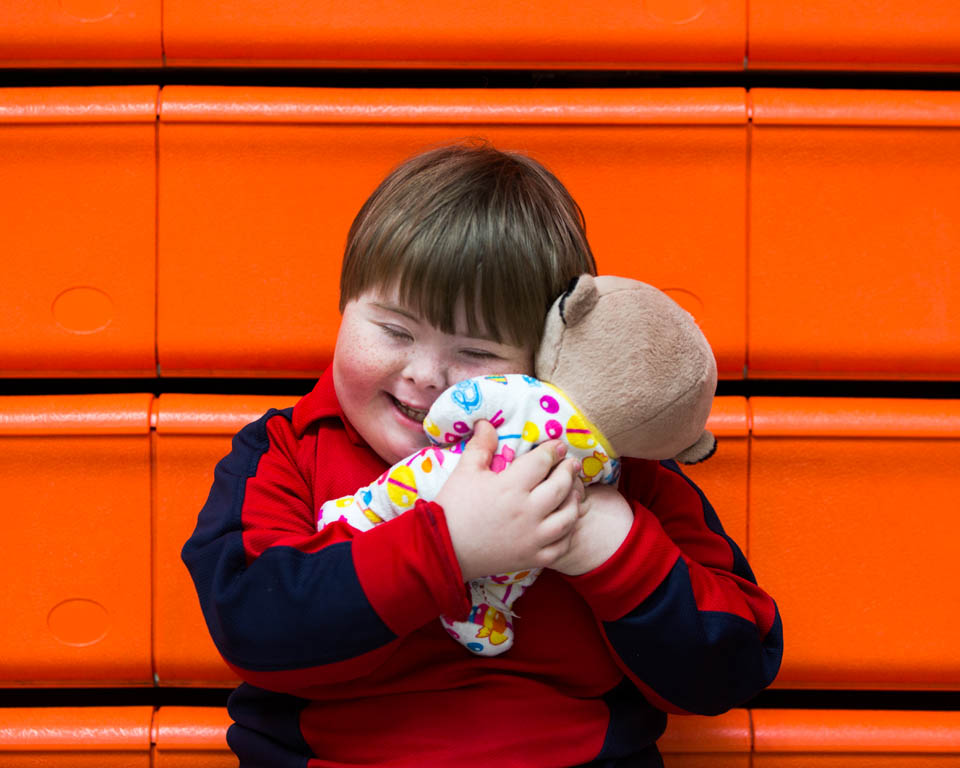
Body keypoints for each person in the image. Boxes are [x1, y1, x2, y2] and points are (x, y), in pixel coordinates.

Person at [182, 142, 782, 767]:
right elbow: (253, 625)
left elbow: (735, 666)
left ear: (549, 359)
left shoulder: (617, 477)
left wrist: (608, 543)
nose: (424, 374)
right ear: (343, 307)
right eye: (393, 330)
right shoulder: (286, 448)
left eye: (476, 353)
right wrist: (448, 545)